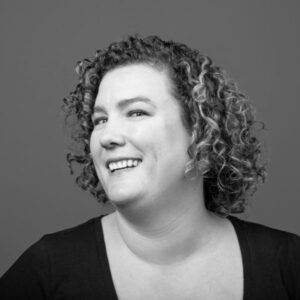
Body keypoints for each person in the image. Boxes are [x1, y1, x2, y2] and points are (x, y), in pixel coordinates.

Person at [1, 35, 299, 300]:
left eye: (136, 112)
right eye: (99, 120)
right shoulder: (48, 269)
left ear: (201, 133)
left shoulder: (288, 264)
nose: (107, 136)